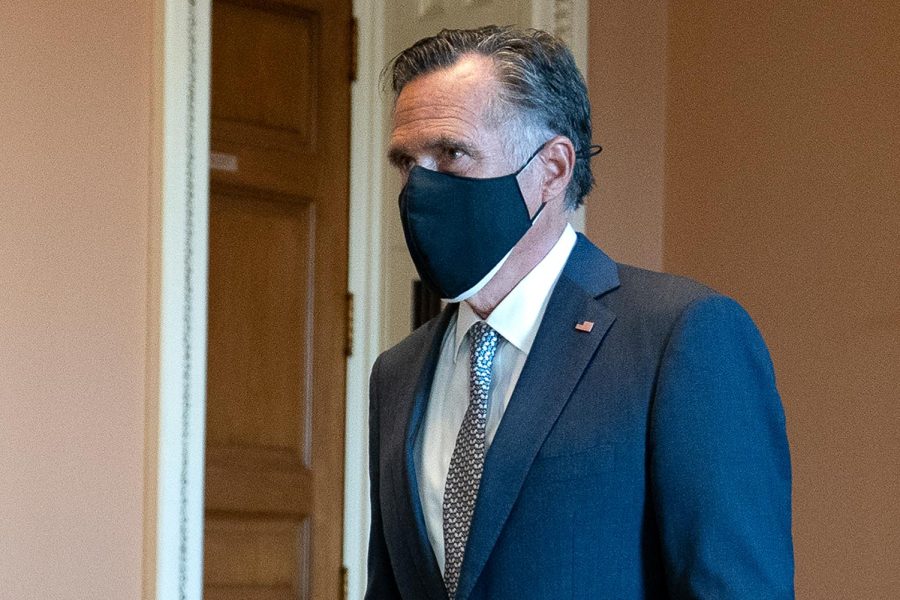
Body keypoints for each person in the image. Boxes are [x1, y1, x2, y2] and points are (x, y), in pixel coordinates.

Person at [366, 25, 794, 600]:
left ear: (553, 168)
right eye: (406, 162)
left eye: (451, 153)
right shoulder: (396, 373)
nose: (420, 186)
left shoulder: (681, 338)